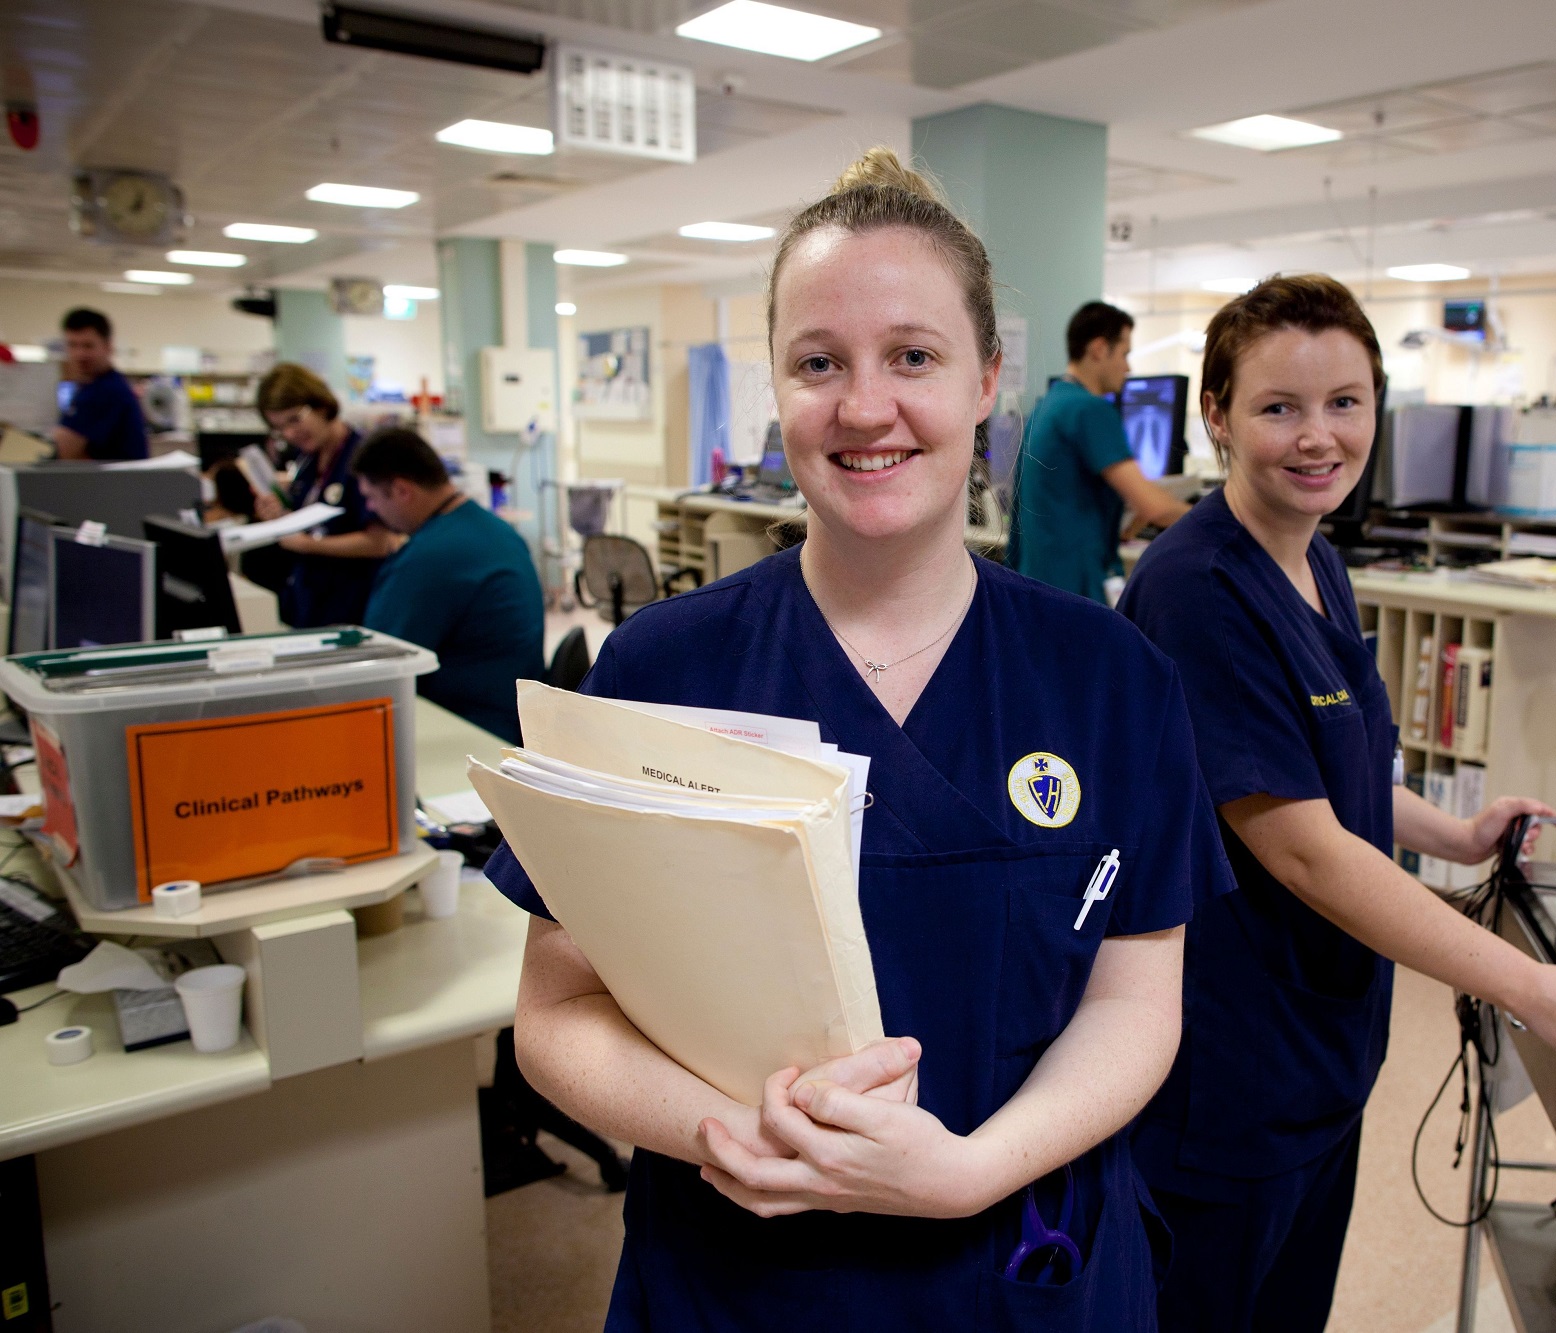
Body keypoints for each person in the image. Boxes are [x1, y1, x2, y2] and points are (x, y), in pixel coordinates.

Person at [481, 148, 1230, 1330]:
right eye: (817, 362)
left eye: (913, 357)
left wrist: (969, 1170)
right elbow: (557, 1015)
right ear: (775, 391)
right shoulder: (658, 670)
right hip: (740, 1273)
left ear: (987, 380)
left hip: (1023, 1263)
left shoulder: (1111, 678)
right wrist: (736, 1139)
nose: (864, 406)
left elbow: (1136, 1003)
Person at [1119, 275, 1556, 1333]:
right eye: (1278, 407)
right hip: (1230, 1068)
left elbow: (1337, 765)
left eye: (1344, 402)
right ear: (1217, 416)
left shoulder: (1316, 560)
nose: (1316, 436)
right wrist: (1533, 989)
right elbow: (1306, 852)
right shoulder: (1198, 591)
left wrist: (1451, 832)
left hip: (1320, 1050)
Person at [354, 427, 544, 744]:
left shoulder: (429, 557)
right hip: (515, 713)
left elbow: (378, 665)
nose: (370, 509)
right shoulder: (495, 530)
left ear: (402, 490)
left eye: (371, 497)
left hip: (471, 727)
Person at [1009, 301, 1190, 603]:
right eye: (1124, 353)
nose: (1128, 367)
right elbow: (1155, 508)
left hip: (1037, 586)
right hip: (1075, 592)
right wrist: (1220, 522)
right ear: (1098, 349)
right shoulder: (1089, 410)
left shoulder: (1046, 406)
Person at [252, 363, 395, 626]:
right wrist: (280, 517)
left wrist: (308, 545)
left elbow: (381, 542)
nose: (290, 433)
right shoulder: (307, 460)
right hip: (310, 603)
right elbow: (312, 522)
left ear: (321, 406)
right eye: (280, 428)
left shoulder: (363, 457)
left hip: (353, 607)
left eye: (295, 419)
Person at [51, 308, 148, 461]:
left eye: (88, 346)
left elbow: (65, 450)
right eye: (72, 345)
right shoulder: (90, 387)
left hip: (115, 483)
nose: (80, 354)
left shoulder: (106, 391)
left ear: (107, 346)